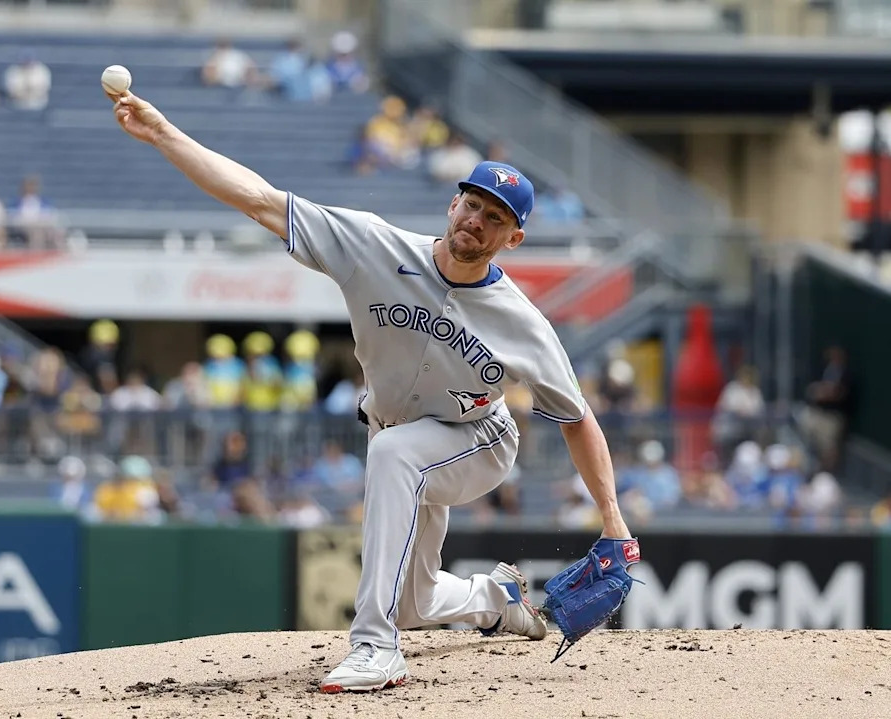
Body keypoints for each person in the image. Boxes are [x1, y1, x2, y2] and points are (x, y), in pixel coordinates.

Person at [106, 88, 634, 694]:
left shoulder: (522, 321)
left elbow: (577, 418)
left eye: (495, 217)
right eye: (473, 203)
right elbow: (257, 199)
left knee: (393, 457)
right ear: (452, 201)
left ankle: (375, 646)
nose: (476, 221)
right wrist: (164, 132)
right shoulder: (374, 246)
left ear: (512, 239)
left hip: (478, 443)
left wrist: (614, 519)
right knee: (417, 597)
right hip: (398, 432)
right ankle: (494, 597)